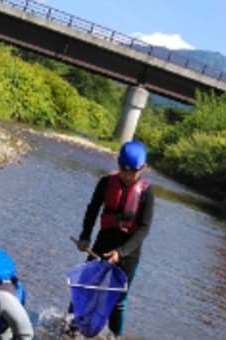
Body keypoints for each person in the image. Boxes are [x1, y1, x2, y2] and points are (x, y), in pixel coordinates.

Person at [66, 140, 155, 339]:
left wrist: (121, 253)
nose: (128, 176)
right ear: (119, 165)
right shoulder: (106, 183)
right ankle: (69, 329)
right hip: (103, 244)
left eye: (133, 172)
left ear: (143, 168)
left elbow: (144, 228)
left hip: (129, 252)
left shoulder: (147, 193)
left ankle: (115, 336)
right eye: (124, 170)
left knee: (119, 300)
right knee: (84, 286)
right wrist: (85, 236)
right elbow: (92, 210)